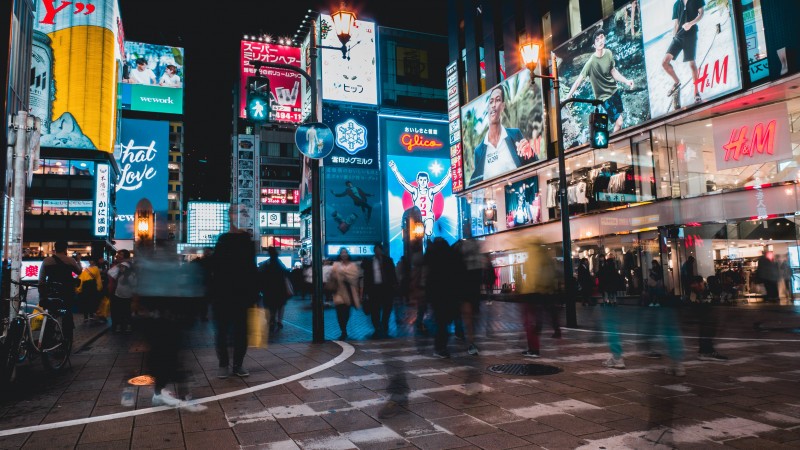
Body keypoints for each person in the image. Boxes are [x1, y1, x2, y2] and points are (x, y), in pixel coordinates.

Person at [211, 203, 257, 379]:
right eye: (241, 212)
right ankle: (223, 363)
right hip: (223, 293)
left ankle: (238, 364)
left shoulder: (247, 240)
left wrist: (253, 293)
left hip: (242, 294)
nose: (244, 215)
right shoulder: (223, 239)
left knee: (241, 331)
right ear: (230, 215)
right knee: (222, 330)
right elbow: (216, 267)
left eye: (246, 212)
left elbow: (251, 269)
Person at [566, 28, 635, 133]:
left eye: (602, 37)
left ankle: (614, 136)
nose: (600, 41)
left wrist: (626, 81)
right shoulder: (590, 63)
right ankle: (612, 142)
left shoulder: (608, 53)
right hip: (604, 97)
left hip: (614, 91)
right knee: (620, 121)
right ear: (594, 45)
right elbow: (578, 82)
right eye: (597, 40)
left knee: (619, 117)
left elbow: (613, 71)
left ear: (605, 38)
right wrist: (567, 98)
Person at [470, 86, 533, 184]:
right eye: (491, 102)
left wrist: (530, 152)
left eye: (497, 100)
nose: (493, 105)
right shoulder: (479, 151)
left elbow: (533, 165)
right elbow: (475, 185)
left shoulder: (515, 135)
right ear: (488, 108)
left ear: (503, 106)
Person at [424, 238, 467, 358]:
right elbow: (461, 274)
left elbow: (428, 276)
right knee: (446, 321)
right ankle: (442, 345)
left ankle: (440, 347)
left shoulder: (433, 257)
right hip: (450, 294)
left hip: (438, 295)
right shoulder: (452, 256)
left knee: (441, 322)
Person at [388, 161, 451, 239]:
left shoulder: (430, 191)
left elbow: (441, 185)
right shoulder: (415, 191)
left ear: (427, 181)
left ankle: (428, 242)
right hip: (417, 217)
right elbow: (403, 183)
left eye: (424, 180)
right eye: (421, 180)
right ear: (418, 181)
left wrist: (448, 175)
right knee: (417, 236)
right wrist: (395, 170)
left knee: (428, 231)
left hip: (428, 216)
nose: (423, 182)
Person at [519, 239, 559, 357]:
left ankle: (534, 349)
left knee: (531, 322)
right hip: (540, 293)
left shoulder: (535, 258)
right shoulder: (544, 258)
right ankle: (533, 348)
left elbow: (534, 277)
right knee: (534, 321)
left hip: (533, 293)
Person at [662, 0, 705, 103]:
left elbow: (701, 13)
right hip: (678, 37)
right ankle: (677, 82)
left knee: (692, 64)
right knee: (665, 63)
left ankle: (696, 92)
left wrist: (691, 23)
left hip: (691, 35)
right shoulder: (676, 5)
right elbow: (676, 24)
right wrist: (674, 38)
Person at [38, 240, 82, 340]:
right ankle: (67, 339)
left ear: (55, 249)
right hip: (67, 292)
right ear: (65, 249)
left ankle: (48, 338)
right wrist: (78, 260)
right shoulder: (70, 260)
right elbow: (79, 271)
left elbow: (41, 281)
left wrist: (42, 295)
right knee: (67, 314)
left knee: (50, 314)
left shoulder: (47, 261)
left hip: (52, 292)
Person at [361, 243, 397, 339]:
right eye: (376, 250)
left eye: (379, 250)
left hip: (386, 288)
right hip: (374, 289)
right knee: (375, 310)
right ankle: (377, 327)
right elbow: (366, 278)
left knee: (387, 308)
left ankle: (384, 324)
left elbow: (393, 275)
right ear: (374, 251)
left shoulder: (388, 261)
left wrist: (394, 287)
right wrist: (365, 292)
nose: (378, 251)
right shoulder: (369, 262)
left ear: (382, 250)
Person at [330, 248, 361, 340]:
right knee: (339, 312)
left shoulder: (352, 265)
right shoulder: (336, 265)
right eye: (342, 253)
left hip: (349, 292)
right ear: (340, 255)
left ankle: (344, 326)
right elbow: (332, 276)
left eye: (345, 252)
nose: (344, 254)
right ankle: (343, 330)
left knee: (346, 313)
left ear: (348, 254)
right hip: (338, 292)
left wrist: (344, 274)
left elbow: (355, 277)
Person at [259, 247, 292, 333]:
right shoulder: (279, 263)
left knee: (270, 306)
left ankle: (271, 320)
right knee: (280, 306)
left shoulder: (266, 264)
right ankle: (279, 320)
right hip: (280, 289)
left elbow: (261, 276)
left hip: (268, 289)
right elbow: (286, 273)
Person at [107, 249, 136, 334]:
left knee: (120, 311)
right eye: (118, 254)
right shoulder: (125, 265)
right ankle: (121, 327)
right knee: (122, 311)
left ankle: (119, 327)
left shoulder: (124, 266)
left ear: (125, 257)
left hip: (122, 293)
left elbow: (110, 273)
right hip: (122, 293)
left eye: (121, 255)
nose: (119, 256)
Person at [76, 258, 103, 324]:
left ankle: (89, 316)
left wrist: (99, 287)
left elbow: (98, 278)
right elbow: (81, 278)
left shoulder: (94, 269)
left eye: (92, 260)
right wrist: (79, 288)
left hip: (89, 287)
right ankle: (87, 317)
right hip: (89, 287)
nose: (91, 261)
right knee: (87, 301)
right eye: (90, 260)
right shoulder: (87, 269)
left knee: (89, 301)